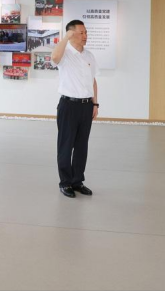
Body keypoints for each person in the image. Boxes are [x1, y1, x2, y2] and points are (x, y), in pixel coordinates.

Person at [50, 20, 99, 198]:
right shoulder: (64, 53)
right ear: (71, 33)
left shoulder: (89, 56)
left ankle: (77, 181)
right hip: (68, 106)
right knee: (66, 145)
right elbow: (54, 58)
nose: (85, 36)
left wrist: (95, 104)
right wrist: (65, 39)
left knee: (81, 146)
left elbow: (93, 81)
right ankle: (65, 183)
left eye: (86, 32)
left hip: (86, 106)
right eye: (81, 33)